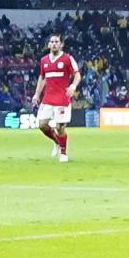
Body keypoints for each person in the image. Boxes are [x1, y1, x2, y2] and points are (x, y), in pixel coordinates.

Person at [32, 33, 79, 162]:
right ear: (48, 45)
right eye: (52, 42)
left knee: (60, 127)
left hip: (62, 99)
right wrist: (36, 94)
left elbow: (77, 74)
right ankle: (57, 142)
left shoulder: (68, 58)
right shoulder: (44, 60)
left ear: (61, 44)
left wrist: (73, 86)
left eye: (56, 42)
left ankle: (63, 153)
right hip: (48, 98)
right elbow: (42, 78)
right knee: (42, 125)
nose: (54, 44)